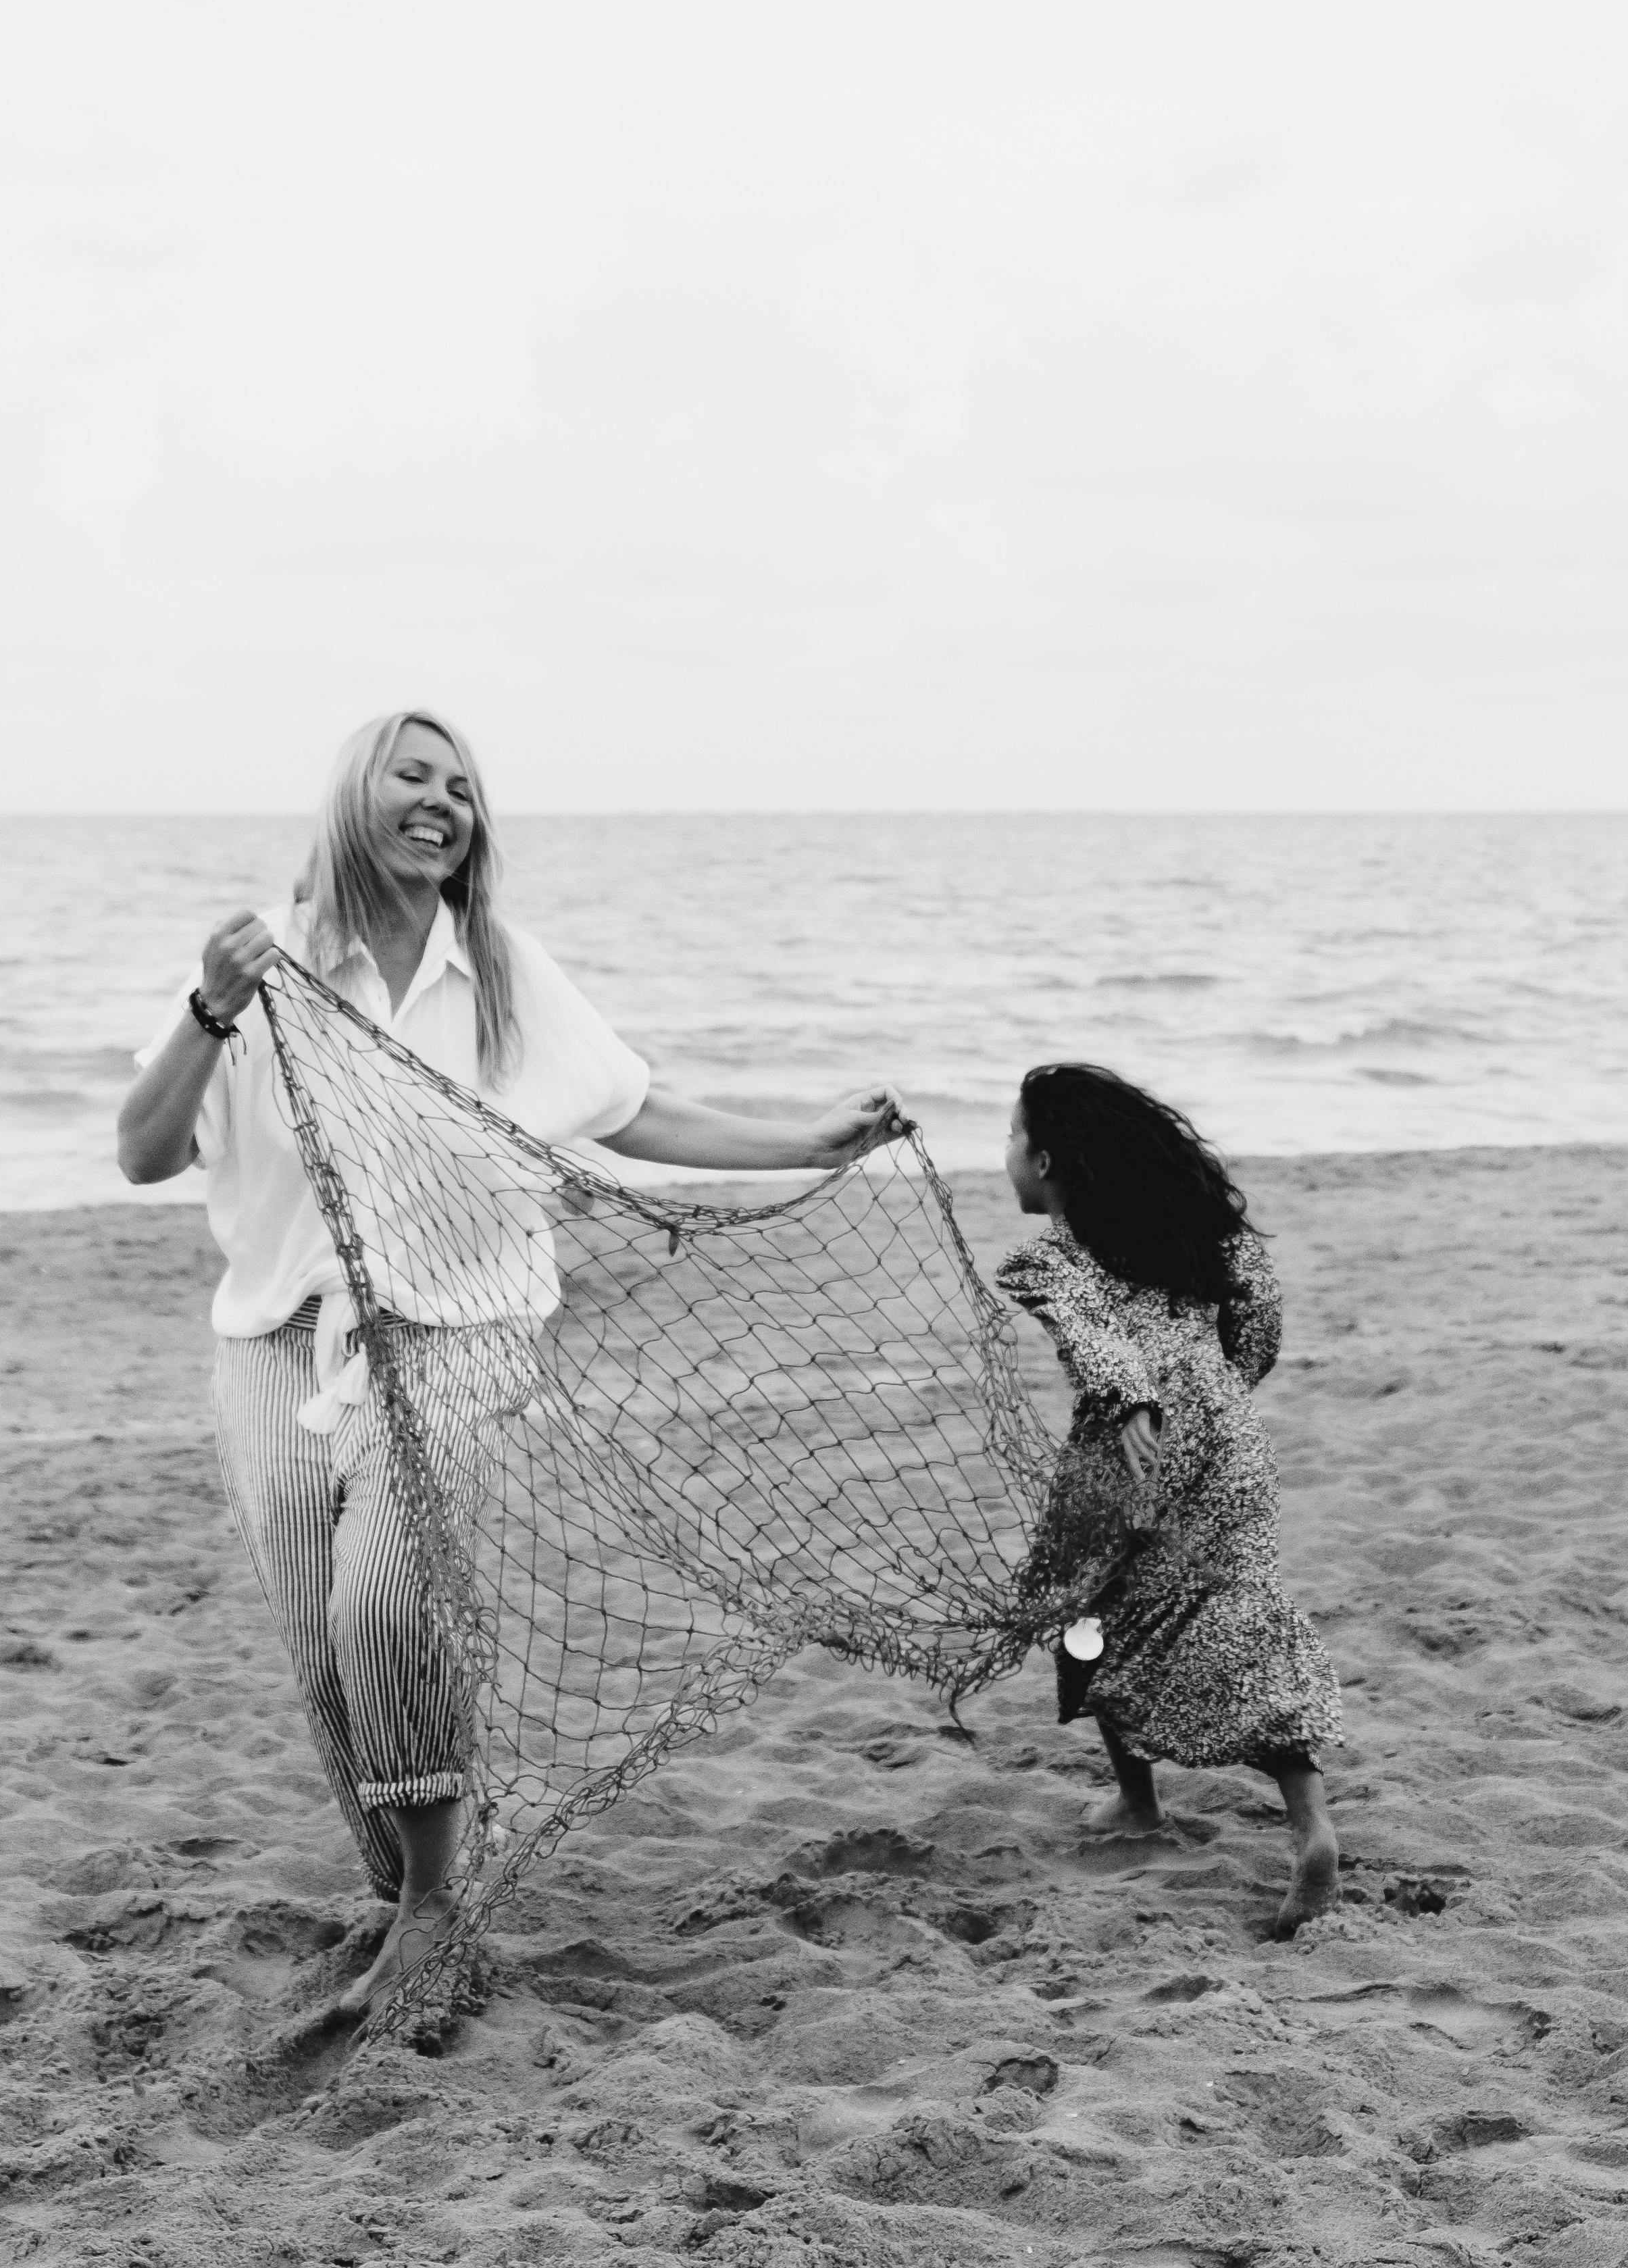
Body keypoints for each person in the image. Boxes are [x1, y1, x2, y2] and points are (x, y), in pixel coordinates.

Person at [118, 709, 900, 2011]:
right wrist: (210, 1009)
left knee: (386, 1601)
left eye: (464, 788)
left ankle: (433, 1902)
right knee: (325, 1647)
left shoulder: (501, 967)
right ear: (353, 796)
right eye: (414, 776)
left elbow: (629, 1107)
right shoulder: (262, 962)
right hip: (275, 1339)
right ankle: (407, 1886)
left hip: (466, 1322)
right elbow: (144, 1154)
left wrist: (804, 1143)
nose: (444, 803)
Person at [994, 1061, 1341, 1937]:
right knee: (1242, 1618)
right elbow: (1260, 1323)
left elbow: (1091, 1333)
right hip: (1230, 1441)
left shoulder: (1053, 1258)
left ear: (1047, 1161)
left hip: (1128, 1450)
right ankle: (1310, 1825)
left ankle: (1137, 1799)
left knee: (1084, 1610)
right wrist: (1219, 1391)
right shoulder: (1203, 1230)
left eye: (1012, 1136)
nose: (1007, 1153)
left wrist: (1134, 1401)